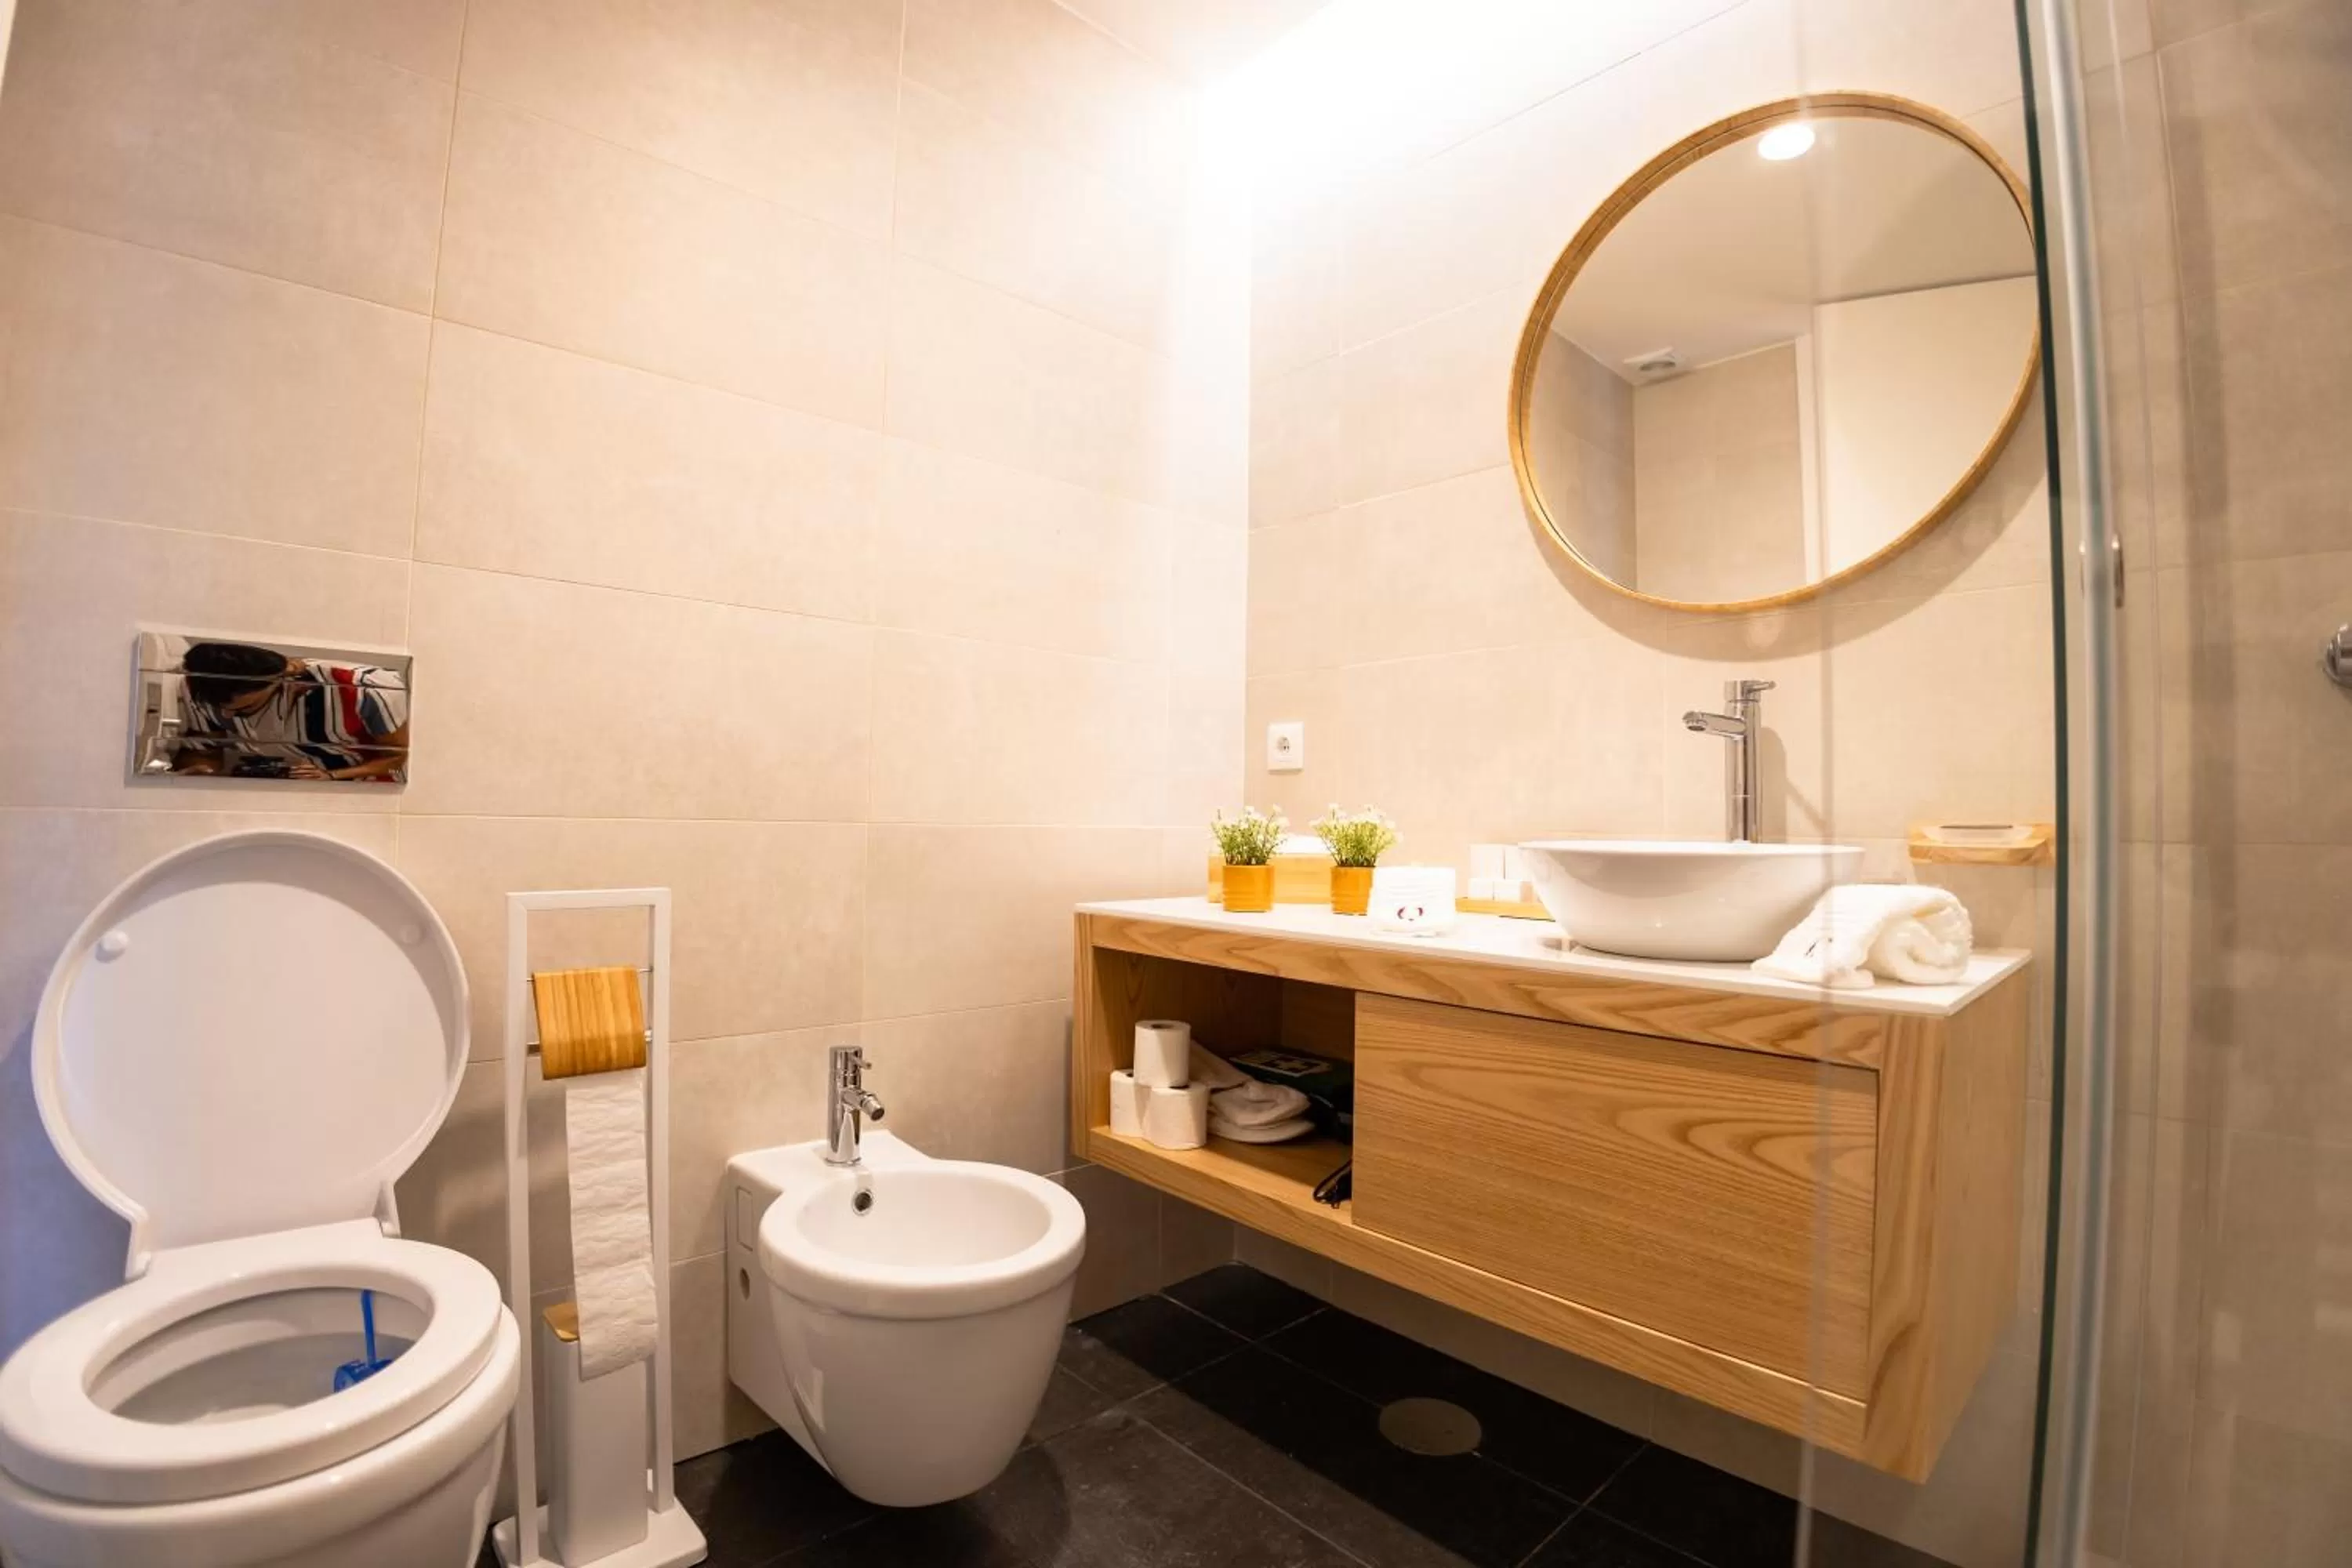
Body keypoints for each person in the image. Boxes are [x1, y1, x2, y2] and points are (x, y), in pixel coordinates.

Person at [174, 641, 409, 782]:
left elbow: (396, 757)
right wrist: (201, 771)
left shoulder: (365, 689)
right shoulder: (199, 691)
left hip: (364, 792)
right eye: (217, 710)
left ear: (286, 683)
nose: (226, 717)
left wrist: (331, 776)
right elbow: (206, 752)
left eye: (244, 709)